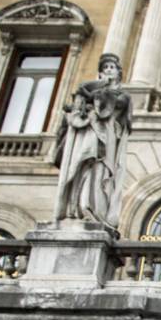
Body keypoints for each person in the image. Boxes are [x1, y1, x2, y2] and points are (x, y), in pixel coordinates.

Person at [53, 53, 132, 231]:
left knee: (101, 175)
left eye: (112, 67)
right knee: (80, 169)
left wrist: (94, 93)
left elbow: (114, 106)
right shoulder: (89, 91)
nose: (108, 70)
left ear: (119, 72)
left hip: (107, 142)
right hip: (89, 137)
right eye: (105, 68)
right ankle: (76, 208)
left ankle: (94, 210)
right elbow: (75, 112)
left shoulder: (123, 96)